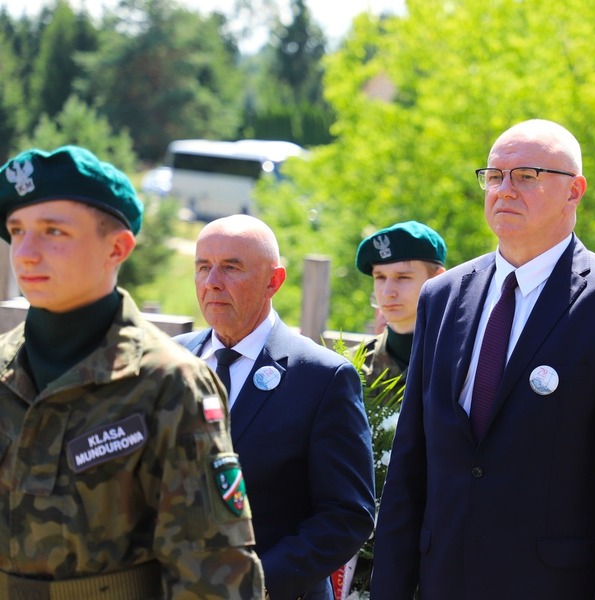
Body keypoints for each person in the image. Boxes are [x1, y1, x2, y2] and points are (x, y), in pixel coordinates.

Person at [371, 119, 595, 599]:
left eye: (526, 176)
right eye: (494, 176)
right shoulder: (442, 297)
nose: (504, 190)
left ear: (574, 191)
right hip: (444, 580)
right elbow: (412, 466)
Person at [0, 146, 264, 598]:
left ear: (117, 247)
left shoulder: (169, 383)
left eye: (53, 232)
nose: (25, 252)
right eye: (17, 231)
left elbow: (215, 575)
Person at [175, 215, 376, 600]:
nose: (212, 281)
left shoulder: (321, 377)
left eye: (231, 267)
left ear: (274, 281)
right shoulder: (171, 359)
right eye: (203, 267)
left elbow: (346, 515)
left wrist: (255, 584)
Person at [353, 220, 447, 384]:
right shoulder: (352, 367)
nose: (387, 292)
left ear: (438, 279)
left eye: (403, 277)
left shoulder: (464, 361)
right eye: (380, 277)